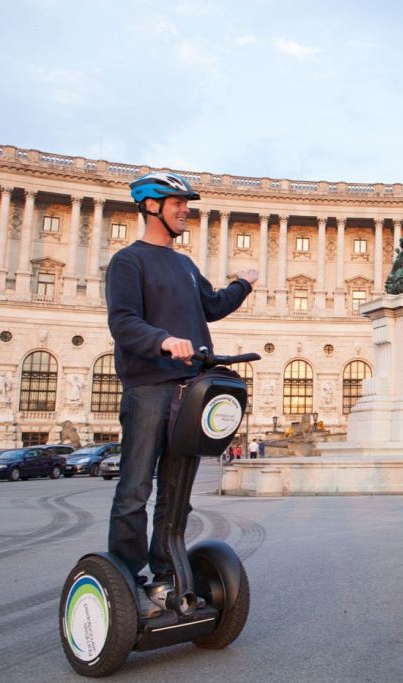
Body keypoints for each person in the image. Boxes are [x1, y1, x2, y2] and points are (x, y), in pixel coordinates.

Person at [106, 172, 257, 592]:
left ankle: (166, 571)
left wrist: (242, 284)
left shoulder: (185, 265)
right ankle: (124, 576)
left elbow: (211, 306)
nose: (185, 210)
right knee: (136, 487)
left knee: (178, 490)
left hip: (189, 388)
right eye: (177, 203)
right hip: (150, 387)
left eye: (185, 203)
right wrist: (163, 340)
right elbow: (123, 323)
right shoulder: (128, 261)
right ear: (152, 206)